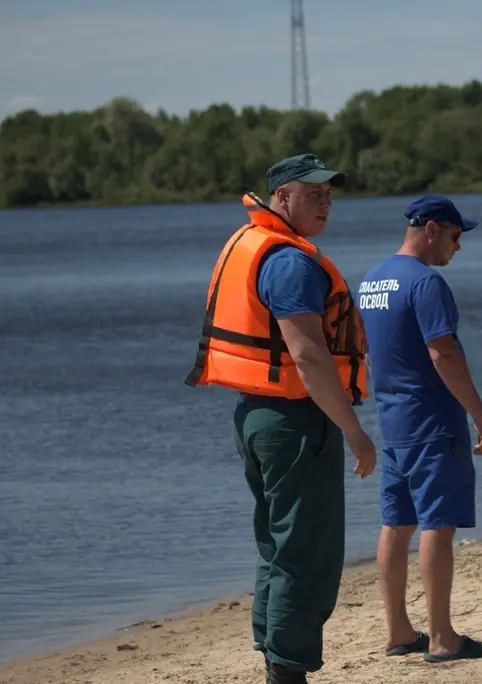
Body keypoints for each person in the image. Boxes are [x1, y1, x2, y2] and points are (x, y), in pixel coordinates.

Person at [184, 154, 378, 684]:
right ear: (282, 198)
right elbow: (310, 357)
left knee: (277, 544)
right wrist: (353, 430)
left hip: (258, 416)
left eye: (330, 195)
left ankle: (275, 656)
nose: (326, 203)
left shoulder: (262, 247)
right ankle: (287, 670)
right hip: (294, 422)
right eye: (314, 194)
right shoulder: (290, 262)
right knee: (305, 552)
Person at [357, 195, 482, 663]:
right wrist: (479, 415)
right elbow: (444, 354)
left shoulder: (371, 281)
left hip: (392, 422)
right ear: (434, 228)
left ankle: (399, 629)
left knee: (396, 523)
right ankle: (442, 638)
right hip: (434, 422)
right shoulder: (426, 283)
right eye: (457, 237)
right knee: (437, 524)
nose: (458, 248)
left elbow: (368, 353)